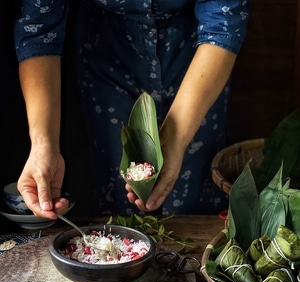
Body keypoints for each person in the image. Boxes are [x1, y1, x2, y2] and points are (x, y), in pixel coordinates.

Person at [13, 0, 249, 219]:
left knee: (193, 198)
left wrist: (174, 140)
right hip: (107, 60)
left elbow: (223, 24)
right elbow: (39, 31)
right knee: (118, 201)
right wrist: (43, 144)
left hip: (195, 59)